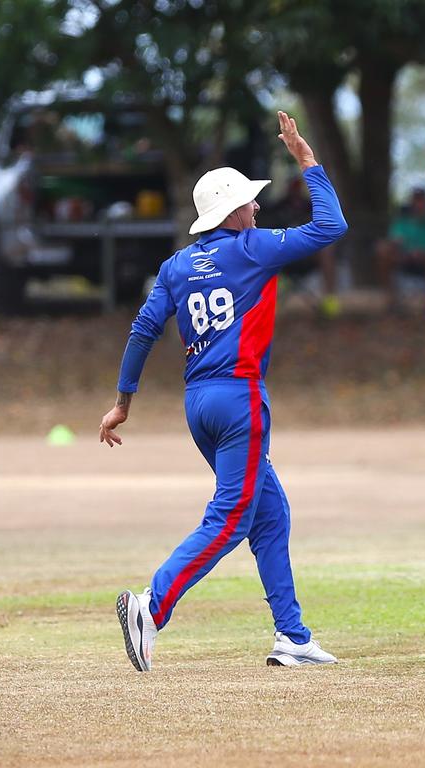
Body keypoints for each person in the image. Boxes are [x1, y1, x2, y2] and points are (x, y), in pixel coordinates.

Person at [101, 111, 348, 672]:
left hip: (199, 405)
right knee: (232, 518)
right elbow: (332, 228)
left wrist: (123, 402)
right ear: (232, 212)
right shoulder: (253, 247)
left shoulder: (176, 266)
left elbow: (142, 331)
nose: (257, 207)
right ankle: (151, 607)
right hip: (240, 398)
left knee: (271, 513)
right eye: (250, 201)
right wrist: (308, 162)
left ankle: (293, 636)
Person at [268, 175, 341, 318]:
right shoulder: (278, 207)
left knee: (327, 250)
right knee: (268, 248)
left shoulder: (310, 206)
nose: (295, 189)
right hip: (285, 255)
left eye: (298, 185)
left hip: (307, 254)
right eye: (292, 185)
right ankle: (271, 301)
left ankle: (329, 299)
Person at [375, 188, 425, 310]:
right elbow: (395, 239)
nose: (419, 205)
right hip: (404, 257)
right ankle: (390, 297)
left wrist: (424, 252)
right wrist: (401, 248)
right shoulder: (403, 220)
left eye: (421, 201)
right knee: (382, 249)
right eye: (416, 201)